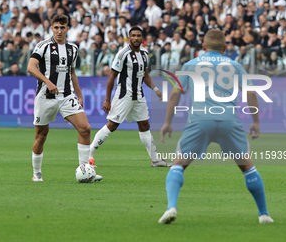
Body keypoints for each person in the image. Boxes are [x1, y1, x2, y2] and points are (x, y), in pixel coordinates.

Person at [158, 29, 274, 224]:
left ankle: (171, 207)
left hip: (200, 120)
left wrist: (167, 122)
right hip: (228, 120)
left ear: (203, 47)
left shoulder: (190, 64)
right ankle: (264, 214)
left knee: (178, 165)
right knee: (248, 168)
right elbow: (251, 93)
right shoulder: (235, 65)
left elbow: (175, 94)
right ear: (225, 48)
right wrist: (255, 122)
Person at [27, 14, 102, 182]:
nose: (59, 31)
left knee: (85, 128)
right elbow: (31, 67)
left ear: (67, 28)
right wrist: (48, 82)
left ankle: (85, 170)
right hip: (46, 96)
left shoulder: (72, 49)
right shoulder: (43, 46)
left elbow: (72, 73)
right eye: (56, 27)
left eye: (62, 27)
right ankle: (37, 173)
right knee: (41, 136)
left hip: (67, 96)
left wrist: (79, 94)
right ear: (51, 28)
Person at [89, 26, 170, 167]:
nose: (136, 38)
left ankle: (155, 160)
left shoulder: (144, 53)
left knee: (145, 125)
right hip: (124, 95)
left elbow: (145, 75)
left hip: (139, 95)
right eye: (133, 35)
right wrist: (107, 100)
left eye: (139, 35)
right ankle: (88, 155)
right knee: (112, 125)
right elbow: (112, 76)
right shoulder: (123, 54)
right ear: (129, 38)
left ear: (142, 38)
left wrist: (156, 90)